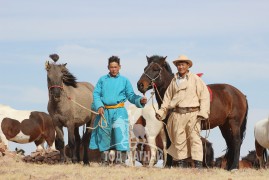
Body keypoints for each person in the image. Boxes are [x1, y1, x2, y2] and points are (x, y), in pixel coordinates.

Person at [89, 56, 147, 166]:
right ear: (108, 67)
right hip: (105, 112)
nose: (113, 69)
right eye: (111, 67)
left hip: (119, 111)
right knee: (104, 136)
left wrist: (140, 99)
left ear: (119, 67)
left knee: (121, 136)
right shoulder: (102, 80)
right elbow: (96, 94)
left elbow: (131, 95)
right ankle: (105, 162)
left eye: (115, 67)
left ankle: (120, 162)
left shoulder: (124, 81)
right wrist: (100, 106)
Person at [155, 55, 210, 169]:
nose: (181, 67)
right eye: (179, 65)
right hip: (177, 114)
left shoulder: (195, 79)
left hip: (193, 113)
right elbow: (167, 98)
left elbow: (204, 96)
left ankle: (198, 165)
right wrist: (161, 111)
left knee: (195, 138)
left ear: (188, 65)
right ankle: (181, 165)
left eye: (183, 64)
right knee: (179, 140)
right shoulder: (174, 81)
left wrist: (203, 112)